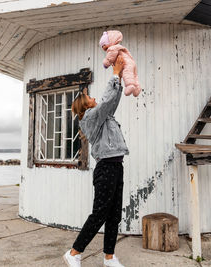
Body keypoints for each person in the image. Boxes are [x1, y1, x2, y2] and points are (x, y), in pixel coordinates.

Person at [63, 56, 129, 267]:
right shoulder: (88, 118)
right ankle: (74, 252)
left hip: (116, 166)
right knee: (100, 213)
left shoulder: (101, 116)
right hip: (106, 168)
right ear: (85, 106)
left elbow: (113, 101)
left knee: (114, 215)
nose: (93, 99)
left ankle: (109, 257)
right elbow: (107, 103)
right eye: (90, 98)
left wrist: (118, 83)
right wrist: (115, 75)